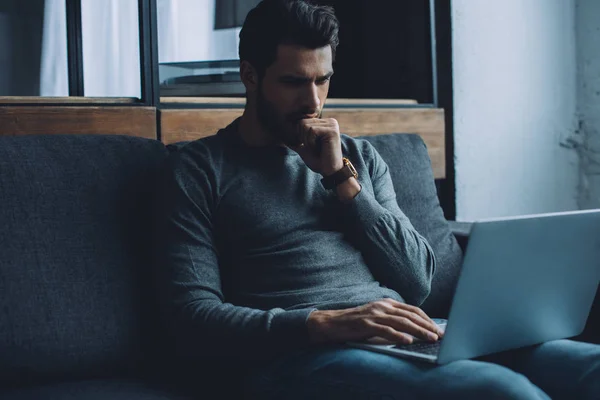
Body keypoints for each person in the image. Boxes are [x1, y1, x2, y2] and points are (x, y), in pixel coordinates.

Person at [155, 0, 600, 398]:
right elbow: (193, 319)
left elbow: (417, 281)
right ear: (250, 75)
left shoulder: (358, 158)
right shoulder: (198, 170)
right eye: (294, 82)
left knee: (588, 366)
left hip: (410, 335)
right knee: (498, 391)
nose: (312, 102)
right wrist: (327, 323)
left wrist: (341, 180)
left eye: (323, 80)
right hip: (297, 357)